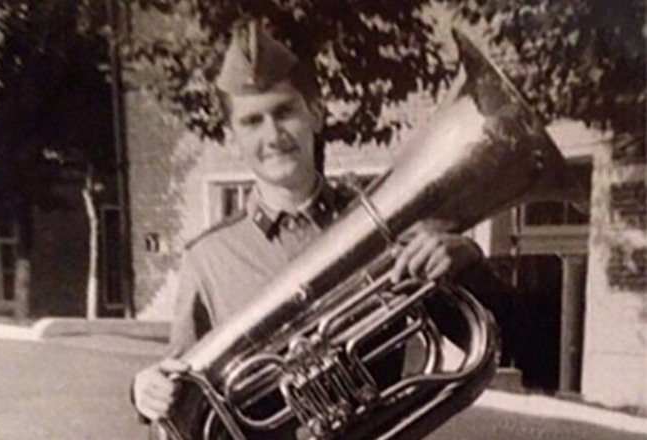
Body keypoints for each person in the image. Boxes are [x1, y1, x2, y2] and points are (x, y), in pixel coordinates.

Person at [132, 20, 519, 436]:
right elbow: (180, 405)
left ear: (316, 113)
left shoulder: (386, 228)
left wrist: (466, 267)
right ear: (233, 137)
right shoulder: (208, 260)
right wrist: (145, 391)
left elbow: (514, 341)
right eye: (252, 121)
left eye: (284, 112)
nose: (273, 135)